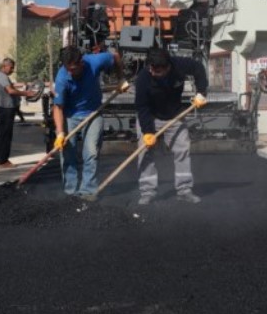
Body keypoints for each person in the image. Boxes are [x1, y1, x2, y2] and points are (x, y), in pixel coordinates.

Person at [133, 47, 208, 205]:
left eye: (158, 70)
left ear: (168, 67)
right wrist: (147, 131)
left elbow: (198, 68)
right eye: (151, 68)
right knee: (145, 152)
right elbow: (142, 107)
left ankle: (184, 190)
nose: (153, 72)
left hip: (174, 116)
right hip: (150, 117)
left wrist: (201, 92)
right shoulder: (143, 78)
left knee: (182, 149)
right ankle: (147, 191)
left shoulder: (179, 65)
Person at [51, 45, 124, 201]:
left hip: (93, 112)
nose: (71, 72)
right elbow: (58, 107)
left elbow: (116, 56)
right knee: (67, 153)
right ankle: (70, 192)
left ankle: (87, 192)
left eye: (74, 69)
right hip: (69, 116)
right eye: (68, 69)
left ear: (81, 63)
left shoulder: (95, 62)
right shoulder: (62, 78)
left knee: (90, 152)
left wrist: (121, 78)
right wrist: (60, 132)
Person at [0, 58, 31, 168]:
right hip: (5, 109)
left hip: (6, 109)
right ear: (4, 66)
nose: (12, 70)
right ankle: (2, 161)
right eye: (11, 67)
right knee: (5, 136)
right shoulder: (2, 77)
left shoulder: (4, 77)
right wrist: (26, 93)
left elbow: (12, 89)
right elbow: (10, 91)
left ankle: (0, 159)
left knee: (4, 135)